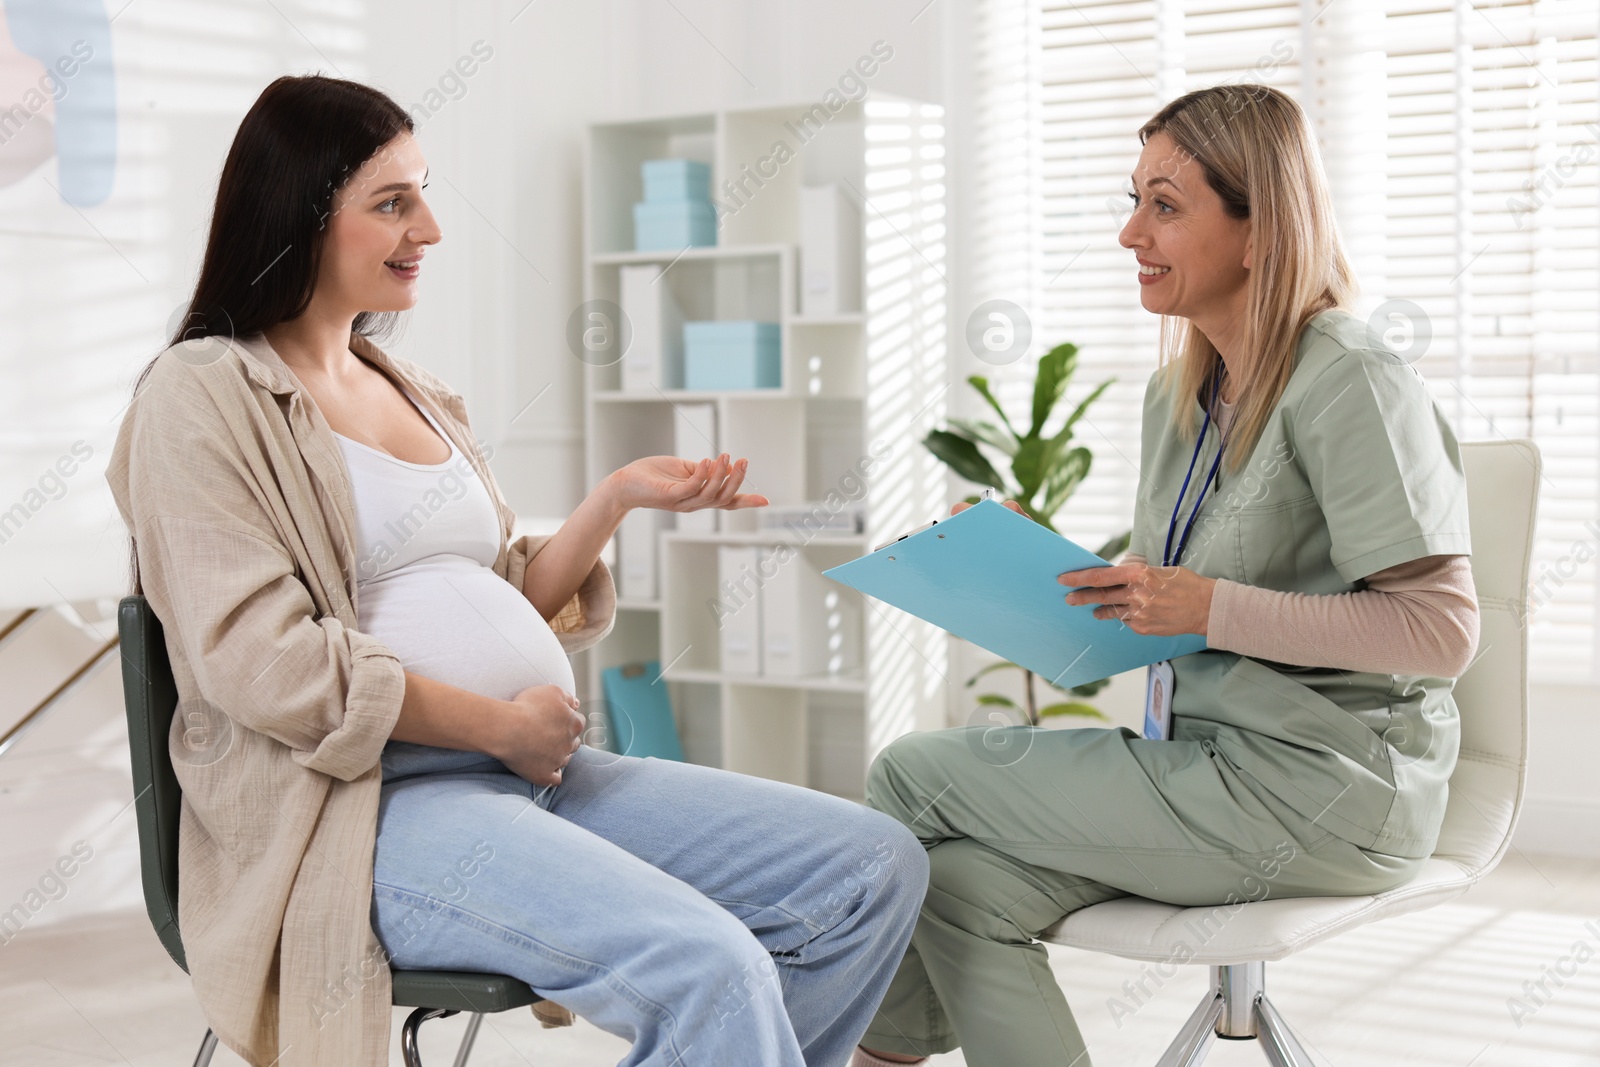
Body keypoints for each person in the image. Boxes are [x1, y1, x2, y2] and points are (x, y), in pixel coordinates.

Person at [105, 74, 929, 1067]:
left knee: (870, 867)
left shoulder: (412, 387)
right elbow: (262, 665)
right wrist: (498, 723)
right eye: (392, 202)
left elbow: (498, 589)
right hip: (365, 813)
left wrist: (613, 497)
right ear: (301, 214)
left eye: (424, 191)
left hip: (534, 774)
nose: (432, 227)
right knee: (711, 966)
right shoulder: (203, 395)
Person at [852, 84, 1479, 1066]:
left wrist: (1210, 606)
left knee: (908, 771)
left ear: (1259, 228)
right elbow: (1178, 609)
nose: (1127, 232)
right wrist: (1049, 573)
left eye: (1165, 205)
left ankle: (869, 1056)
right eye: (1133, 199)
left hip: (1330, 785)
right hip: (1208, 764)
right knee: (961, 888)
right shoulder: (1180, 395)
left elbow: (1439, 630)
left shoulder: (1348, 375)